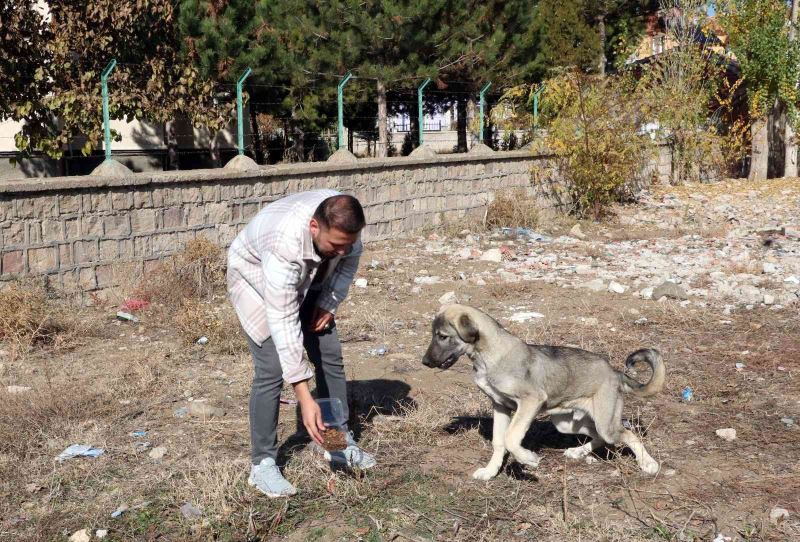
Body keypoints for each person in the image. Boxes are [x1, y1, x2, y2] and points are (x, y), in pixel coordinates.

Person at [227, 190, 376, 498]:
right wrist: (303, 395)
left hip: (311, 279)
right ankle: (263, 465)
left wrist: (330, 302)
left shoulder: (344, 228)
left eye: (348, 244)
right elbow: (283, 320)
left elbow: (349, 262)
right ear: (314, 227)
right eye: (336, 245)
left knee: (329, 352)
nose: (343, 250)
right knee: (271, 368)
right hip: (256, 279)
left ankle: (337, 444)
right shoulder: (284, 244)